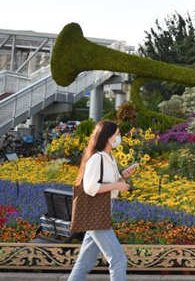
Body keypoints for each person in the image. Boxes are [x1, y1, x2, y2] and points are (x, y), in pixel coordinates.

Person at [68, 120, 138, 281]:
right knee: (118, 260)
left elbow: (108, 183)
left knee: (85, 262)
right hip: (96, 217)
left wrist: (123, 176)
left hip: (101, 213)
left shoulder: (109, 157)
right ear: (108, 136)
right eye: (117, 134)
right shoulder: (97, 158)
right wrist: (118, 185)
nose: (119, 137)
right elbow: (91, 187)